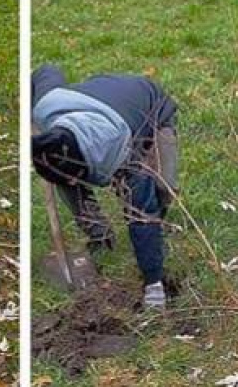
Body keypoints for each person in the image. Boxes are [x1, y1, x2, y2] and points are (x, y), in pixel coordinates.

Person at [30, 64, 179, 310]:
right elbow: (45, 71)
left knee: (162, 188)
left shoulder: (123, 155)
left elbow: (141, 217)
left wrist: (153, 283)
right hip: (95, 94)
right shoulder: (46, 105)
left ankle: (155, 253)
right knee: (67, 183)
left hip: (150, 107)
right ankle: (100, 236)